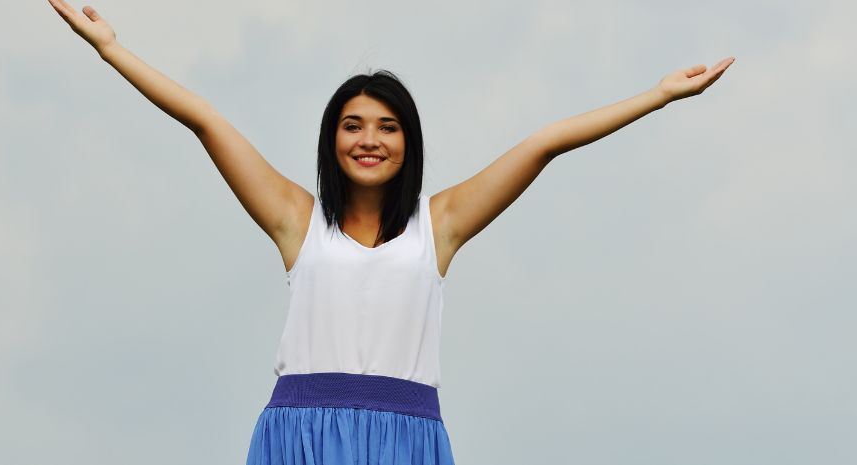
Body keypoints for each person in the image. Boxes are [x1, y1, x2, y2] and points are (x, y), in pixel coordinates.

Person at [45, 2, 734, 464]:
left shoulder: (440, 225)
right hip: (301, 433)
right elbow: (205, 120)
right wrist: (112, 49)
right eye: (352, 125)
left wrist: (660, 94)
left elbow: (544, 144)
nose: (369, 139)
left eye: (387, 125)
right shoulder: (297, 220)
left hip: (407, 436)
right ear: (331, 139)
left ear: (409, 140)